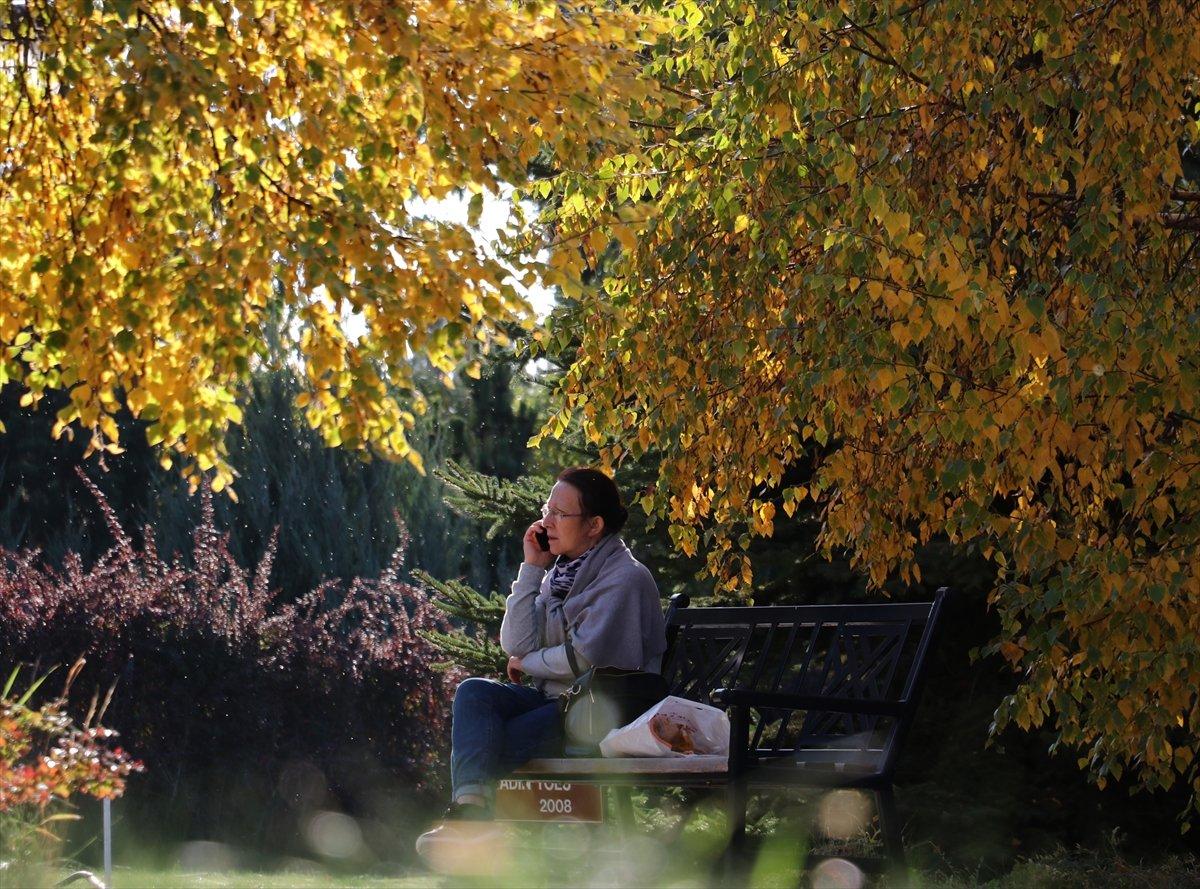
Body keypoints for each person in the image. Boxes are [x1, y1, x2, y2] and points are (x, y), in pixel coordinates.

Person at [415, 467, 666, 865]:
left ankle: (472, 827)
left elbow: (584, 657)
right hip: (559, 703)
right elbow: (515, 642)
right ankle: (471, 818)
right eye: (546, 509)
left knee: (488, 744)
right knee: (474, 692)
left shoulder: (625, 579)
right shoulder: (558, 574)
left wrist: (526, 662)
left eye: (559, 514)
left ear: (594, 525)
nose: (546, 521)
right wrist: (531, 569)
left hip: (602, 711)